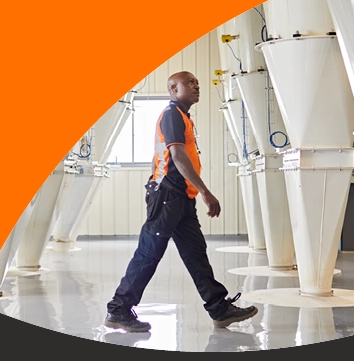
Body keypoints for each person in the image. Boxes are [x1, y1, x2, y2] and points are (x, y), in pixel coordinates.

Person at [104, 71, 258, 333]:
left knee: (195, 253)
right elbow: (177, 156)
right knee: (149, 252)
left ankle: (219, 309)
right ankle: (118, 310)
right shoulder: (172, 114)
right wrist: (205, 192)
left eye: (197, 82)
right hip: (167, 195)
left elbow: (169, 156)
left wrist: (189, 191)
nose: (196, 85)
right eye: (190, 83)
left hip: (180, 196)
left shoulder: (184, 117)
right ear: (174, 89)